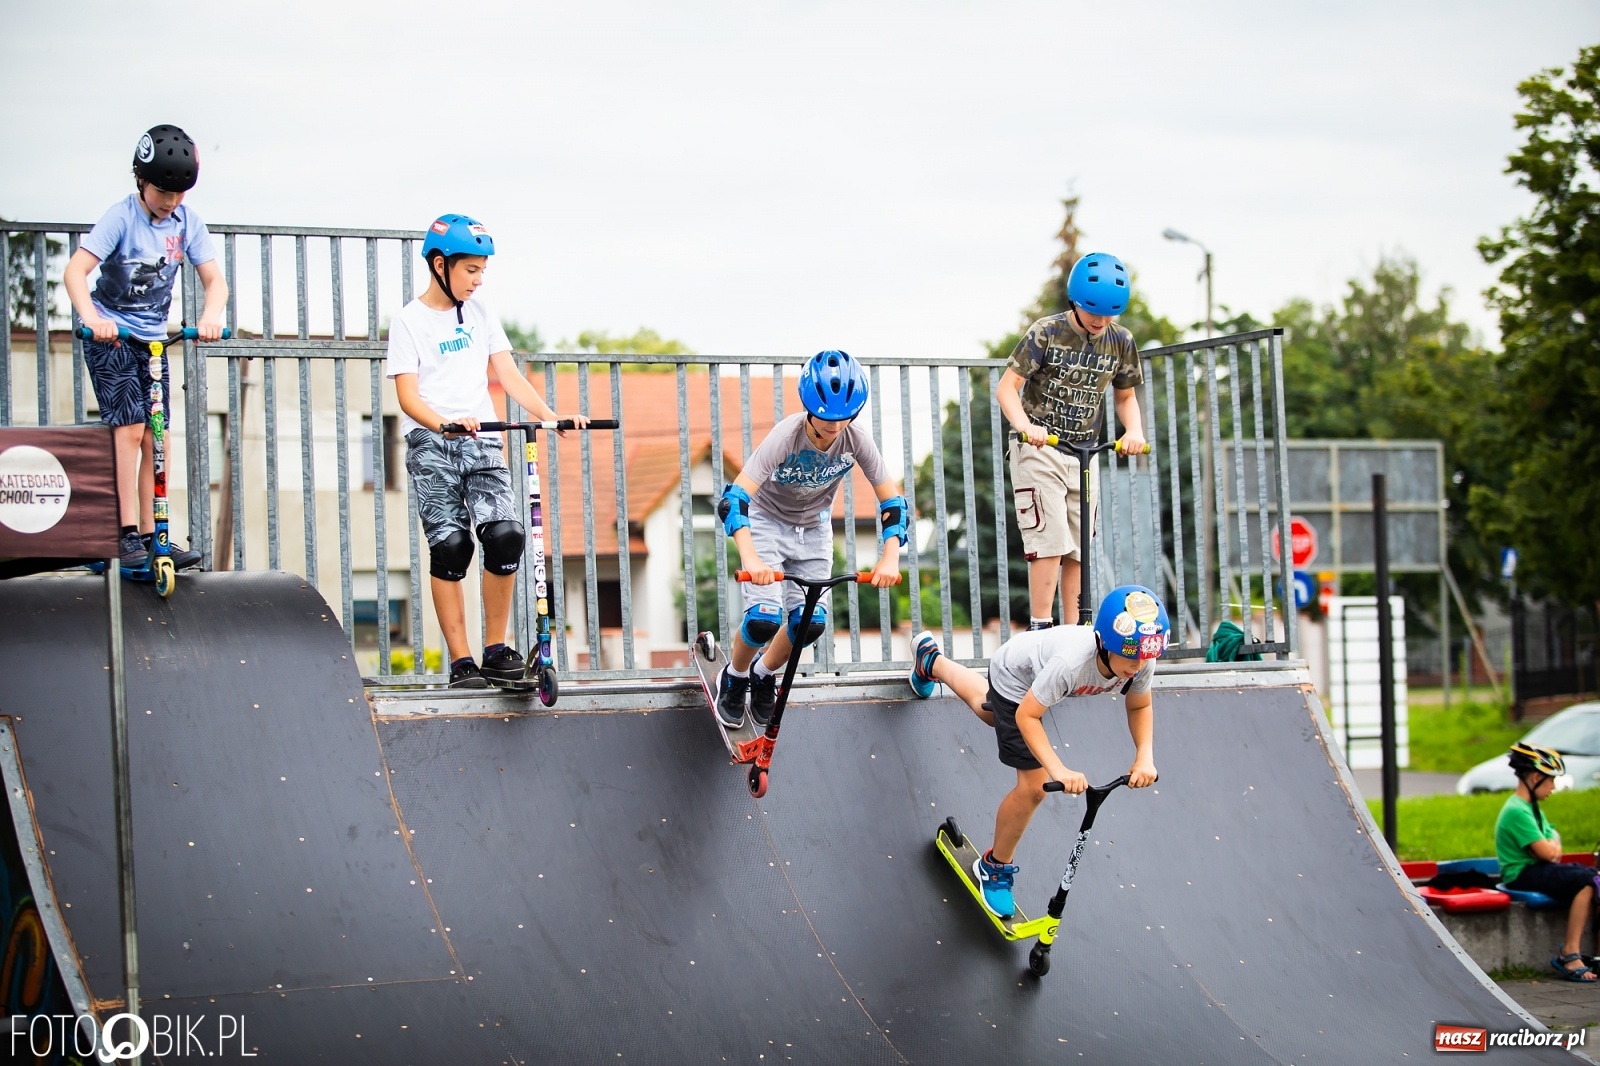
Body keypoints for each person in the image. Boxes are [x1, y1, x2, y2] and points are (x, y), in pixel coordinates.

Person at [386, 214, 585, 690]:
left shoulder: (481, 316)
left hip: (483, 440)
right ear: (440, 265)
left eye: (482, 271)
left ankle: (495, 650)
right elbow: (408, 397)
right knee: (452, 546)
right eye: (470, 270)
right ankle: (462, 662)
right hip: (432, 442)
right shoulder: (409, 322)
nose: (478, 280)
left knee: (506, 535)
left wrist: (549, 415)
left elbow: (510, 376)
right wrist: (444, 424)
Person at [907, 584, 1166, 920]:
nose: (1139, 665)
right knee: (1034, 785)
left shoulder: (1140, 660)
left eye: (1145, 656)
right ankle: (994, 867)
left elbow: (1140, 706)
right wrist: (1058, 770)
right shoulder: (1071, 665)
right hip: (1015, 675)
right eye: (1131, 656)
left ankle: (931, 660)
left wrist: (1144, 755)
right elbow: (1026, 716)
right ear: (1104, 644)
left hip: (1035, 673)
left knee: (989, 713)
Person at [63, 124, 228, 571]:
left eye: (179, 193)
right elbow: (76, 272)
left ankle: (158, 534)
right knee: (131, 428)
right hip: (111, 336)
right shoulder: (121, 217)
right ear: (140, 180)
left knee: (159, 435)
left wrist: (211, 316)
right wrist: (93, 319)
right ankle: (124, 535)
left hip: (153, 341)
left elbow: (215, 281)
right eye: (162, 191)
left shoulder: (188, 222)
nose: (170, 201)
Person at [713, 350, 905, 728]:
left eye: (844, 418)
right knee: (764, 617)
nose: (835, 428)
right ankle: (734, 677)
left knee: (809, 622)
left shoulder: (857, 440)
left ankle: (763, 674)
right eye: (827, 419)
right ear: (809, 407)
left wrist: (890, 557)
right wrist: (751, 559)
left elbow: (893, 503)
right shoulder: (785, 437)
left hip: (813, 529)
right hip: (767, 523)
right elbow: (734, 500)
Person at [996, 253, 1147, 630]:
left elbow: (1125, 396)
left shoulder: (1121, 341)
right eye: (1092, 311)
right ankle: (1040, 628)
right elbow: (1007, 389)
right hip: (1039, 448)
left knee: (1080, 546)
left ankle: (1074, 630)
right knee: (1049, 540)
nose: (1099, 321)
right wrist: (1025, 426)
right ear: (1075, 302)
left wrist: (1133, 431)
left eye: (1109, 313)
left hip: (1083, 454)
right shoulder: (1046, 332)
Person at [1494, 743, 1598, 982]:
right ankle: (1569, 953)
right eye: (1551, 780)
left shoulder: (1531, 809)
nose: (1553, 787)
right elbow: (1549, 852)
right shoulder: (1517, 811)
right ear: (1535, 777)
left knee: (1596, 877)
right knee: (1588, 881)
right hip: (1521, 873)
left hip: (1537, 868)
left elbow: (1553, 847)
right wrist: (1551, 845)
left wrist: (1551, 845)